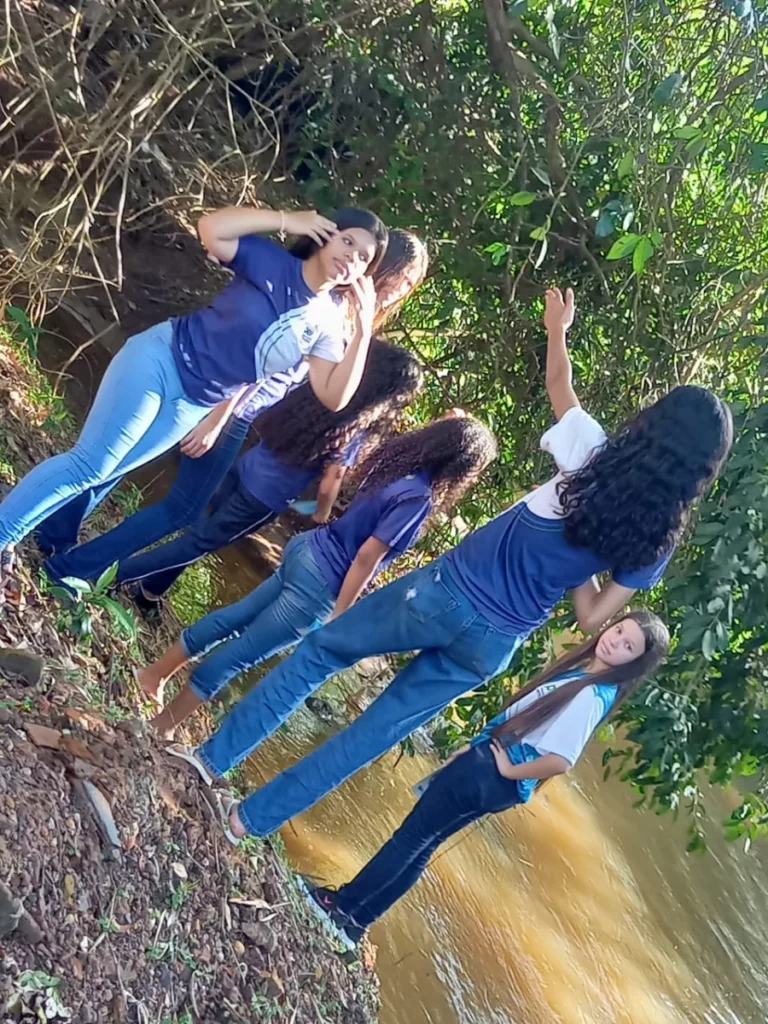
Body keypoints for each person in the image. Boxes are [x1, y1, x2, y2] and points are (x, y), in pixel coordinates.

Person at [160, 285, 733, 842]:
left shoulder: (590, 454)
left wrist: (558, 330)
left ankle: (210, 761)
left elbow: (559, 383)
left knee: (319, 653)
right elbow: (591, 617)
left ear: (654, 421)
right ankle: (248, 821)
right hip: (494, 644)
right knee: (374, 733)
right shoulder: (656, 542)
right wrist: (577, 557)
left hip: (445, 590)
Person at [0, 204, 388, 595]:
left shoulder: (326, 324)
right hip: (160, 360)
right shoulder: (271, 262)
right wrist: (288, 220)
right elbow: (211, 228)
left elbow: (334, 396)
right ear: (326, 234)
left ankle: (20, 539)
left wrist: (362, 329)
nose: (351, 258)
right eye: (347, 242)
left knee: (101, 473)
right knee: (90, 465)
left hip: (192, 405)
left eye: (363, 258)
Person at [302, 610, 669, 947]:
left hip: (492, 772)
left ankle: (341, 905)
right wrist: (475, 749)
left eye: (628, 646)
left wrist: (509, 769)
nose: (615, 642)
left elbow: (560, 761)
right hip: (490, 770)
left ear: (634, 664)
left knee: (411, 838)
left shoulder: (590, 695)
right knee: (423, 843)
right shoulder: (586, 679)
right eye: (619, 631)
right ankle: (356, 920)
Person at [138, 413, 496, 737]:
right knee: (241, 654)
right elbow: (367, 557)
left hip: (307, 550)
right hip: (322, 582)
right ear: (460, 466)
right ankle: (162, 725)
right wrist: (341, 614)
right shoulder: (418, 500)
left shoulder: (395, 463)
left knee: (234, 618)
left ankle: (153, 675)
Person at [72, 338, 423, 610]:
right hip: (265, 497)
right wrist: (321, 513)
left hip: (247, 465)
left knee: (198, 533)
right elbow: (331, 480)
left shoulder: (325, 390)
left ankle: (150, 590)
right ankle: (111, 574)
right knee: (199, 543)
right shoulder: (356, 426)